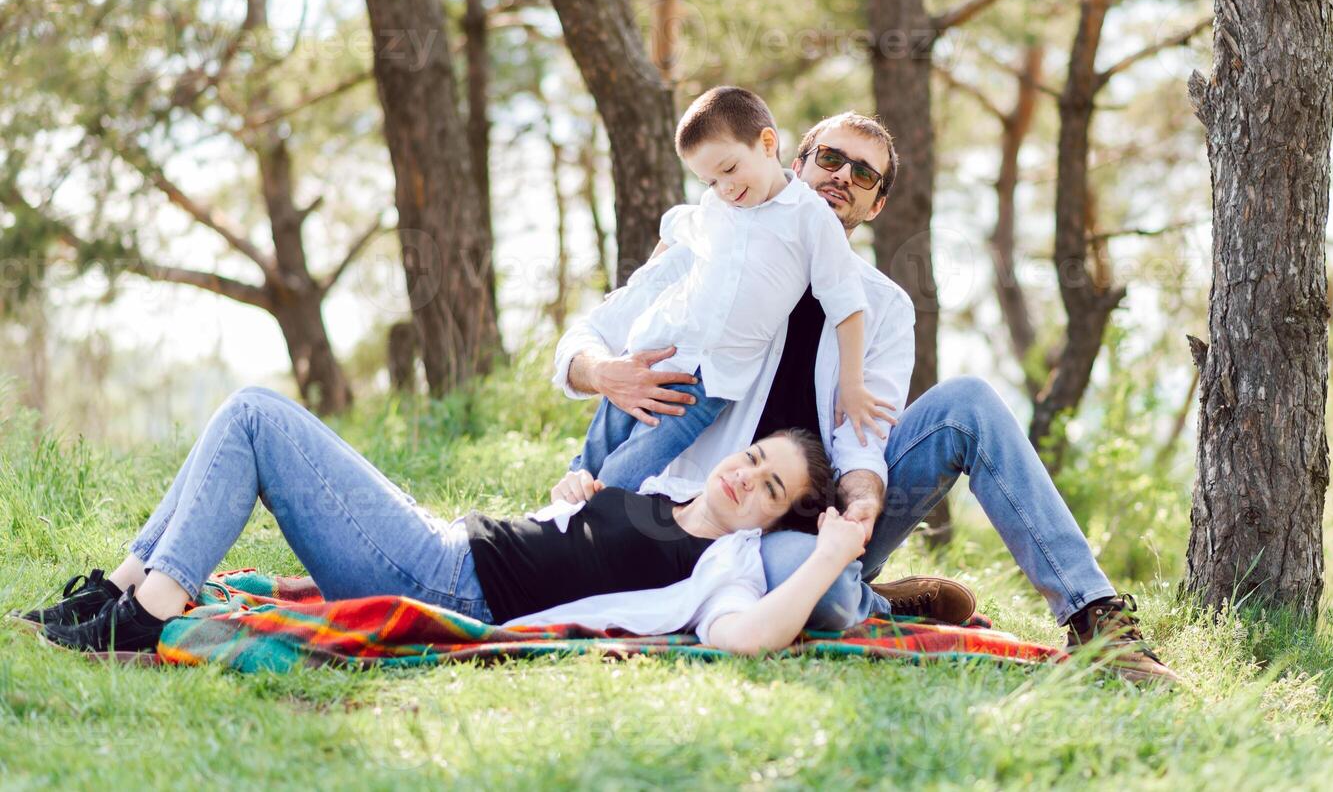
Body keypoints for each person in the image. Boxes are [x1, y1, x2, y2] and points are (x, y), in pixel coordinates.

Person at [554, 111, 1179, 682]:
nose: (842, 177)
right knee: (822, 597)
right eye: (830, 158)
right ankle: (875, 601)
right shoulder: (706, 245)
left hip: (822, 518)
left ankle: (1097, 620)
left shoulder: (882, 307)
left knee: (968, 402)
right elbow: (592, 334)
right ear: (792, 162)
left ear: (875, 206)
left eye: (864, 174)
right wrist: (602, 373)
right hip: (714, 510)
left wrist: (861, 507)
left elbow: (864, 437)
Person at [18, 386, 866, 657]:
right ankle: (125, 586)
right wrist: (574, 499)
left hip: (441, 578)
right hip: (444, 539)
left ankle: (150, 608)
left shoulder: (728, 565)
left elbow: (740, 638)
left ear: (773, 518)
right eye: (754, 457)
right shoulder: (673, 489)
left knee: (253, 417)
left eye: (769, 486)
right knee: (245, 415)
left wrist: (828, 558)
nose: (746, 476)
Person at [568, 86, 892, 493]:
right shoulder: (717, 204)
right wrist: (657, 260)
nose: (724, 187)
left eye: (730, 169)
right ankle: (564, 514)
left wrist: (852, 384)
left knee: (631, 467)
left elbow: (847, 304)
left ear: (767, 143)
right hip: (658, 348)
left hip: (712, 380)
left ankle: (591, 522)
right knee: (590, 457)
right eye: (711, 179)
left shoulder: (809, 217)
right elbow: (676, 225)